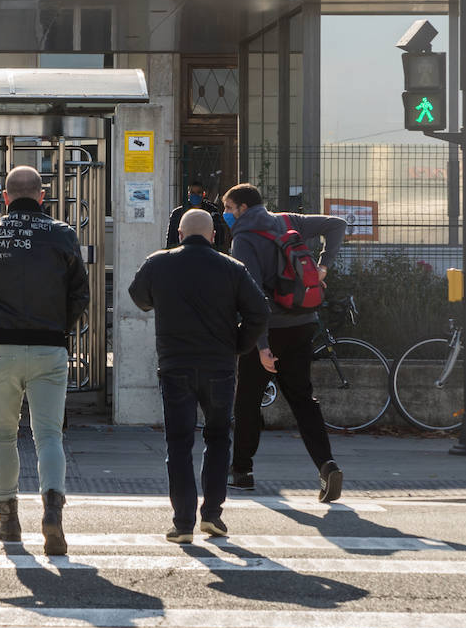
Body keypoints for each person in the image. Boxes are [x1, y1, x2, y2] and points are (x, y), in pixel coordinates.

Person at [0, 165, 89, 556]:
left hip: (3, 347)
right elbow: (81, 293)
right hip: (50, 345)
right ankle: (53, 514)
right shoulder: (63, 234)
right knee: (49, 436)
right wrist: (61, 328)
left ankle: (8, 520)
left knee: (4, 434)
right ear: (42, 197)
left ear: (6, 197)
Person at [128, 209, 270, 543]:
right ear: (213, 236)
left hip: (175, 365)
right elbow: (259, 311)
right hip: (220, 366)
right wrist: (239, 344)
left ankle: (181, 523)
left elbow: (138, 298)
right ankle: (213, 516)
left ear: (179, 234)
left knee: (178, 442)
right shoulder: (232, 268)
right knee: (219, 438)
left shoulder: (157, 263)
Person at [220, 183, 348, 503]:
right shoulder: (288, 220)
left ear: (243, 209)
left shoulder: (244, 239)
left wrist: (262, 346)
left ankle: (242, 472)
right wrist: (323, 266)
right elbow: (337, 225)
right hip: (303, 323)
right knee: (303, 399)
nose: (226, 215)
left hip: (267, 330)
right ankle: (326, 464)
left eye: (229, 208)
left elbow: (252, 296)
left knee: (247, 401)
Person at [166, 180, 229, 251]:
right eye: (192, 192)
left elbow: (220, 237)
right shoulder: (177, 213)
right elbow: (171, 239)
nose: (195, 195)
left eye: (199, 192)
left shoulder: (212, 212)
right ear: (188, 194)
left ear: (203, 194)